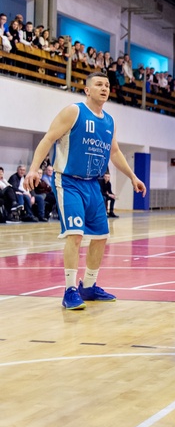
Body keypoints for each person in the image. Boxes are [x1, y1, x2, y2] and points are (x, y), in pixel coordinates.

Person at [24, 72, 146, 309]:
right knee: (75, 234)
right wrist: (33, 169)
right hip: (69, 181)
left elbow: (115, 152)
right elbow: (49, 138)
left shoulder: (109, 121)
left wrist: (132, 176)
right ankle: (70, 289)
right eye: (99, 84)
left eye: (107, 85)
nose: (104, 88)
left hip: (93, 184)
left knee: (101, 237)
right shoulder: (74, 111)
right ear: (87, 90)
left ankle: (88, 286)